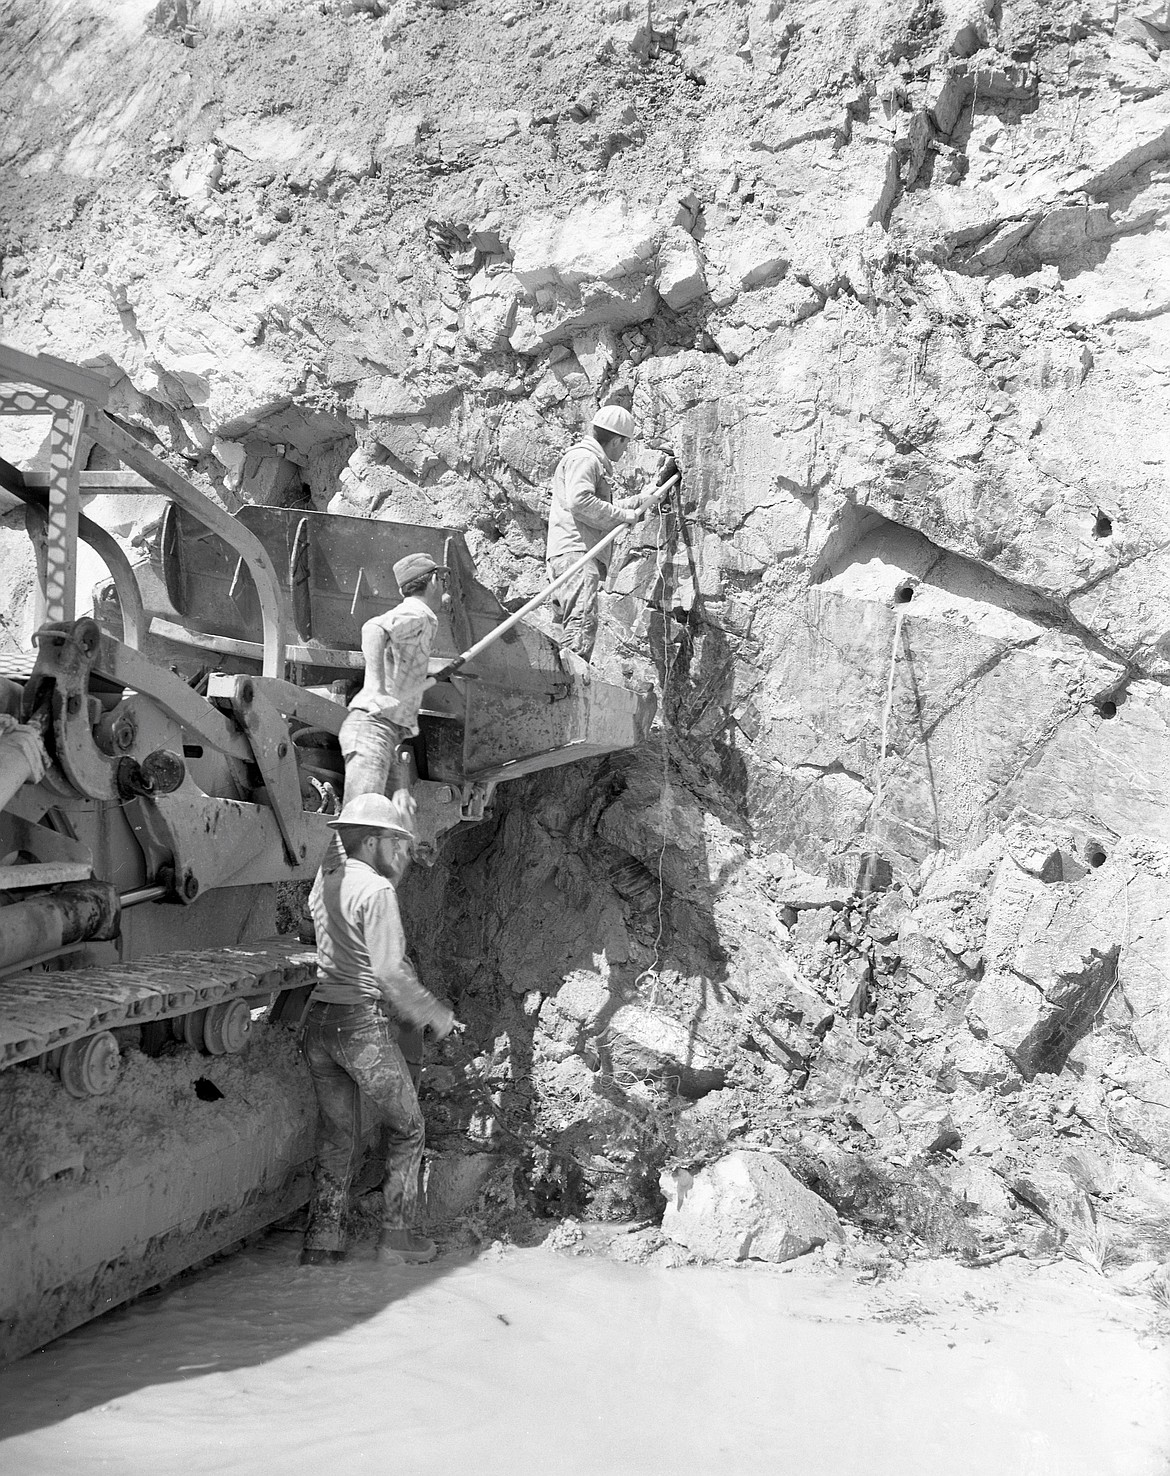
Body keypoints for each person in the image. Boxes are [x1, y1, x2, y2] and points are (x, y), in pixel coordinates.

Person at [300, 792, 465, 1267]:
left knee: (336, 1138)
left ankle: (321, 1243)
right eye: (394, 841)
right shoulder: (376, 892)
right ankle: (397, 1238)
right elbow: (390, 972)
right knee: (409, 1128)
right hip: (359, 1028)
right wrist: (436, 1015)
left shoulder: (324, 883)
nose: (398, 852)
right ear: (371, 841)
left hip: (319, 1024)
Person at [544, 405, 663, 660]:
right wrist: (623, 517)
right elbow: (580, 502)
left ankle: (560, 681)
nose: (624, 449)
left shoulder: (586, 460)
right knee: (581, 626)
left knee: (568, 627)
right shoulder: (585, 459)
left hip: (568, 555)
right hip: (577, 556)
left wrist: (641, 500)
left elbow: (598, 506)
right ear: (617, 440)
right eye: (625, 443)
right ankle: (570, 687)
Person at [339, 550, 449, 806]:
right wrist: (376, 689)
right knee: (361, 824)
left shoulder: (421, 618)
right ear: (432, 580)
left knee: (387, 829)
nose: (443, 586)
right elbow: (373, 629)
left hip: (384, 733)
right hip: (372, 728)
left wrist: (400, 786)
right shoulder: (418, 614)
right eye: (441, 580)